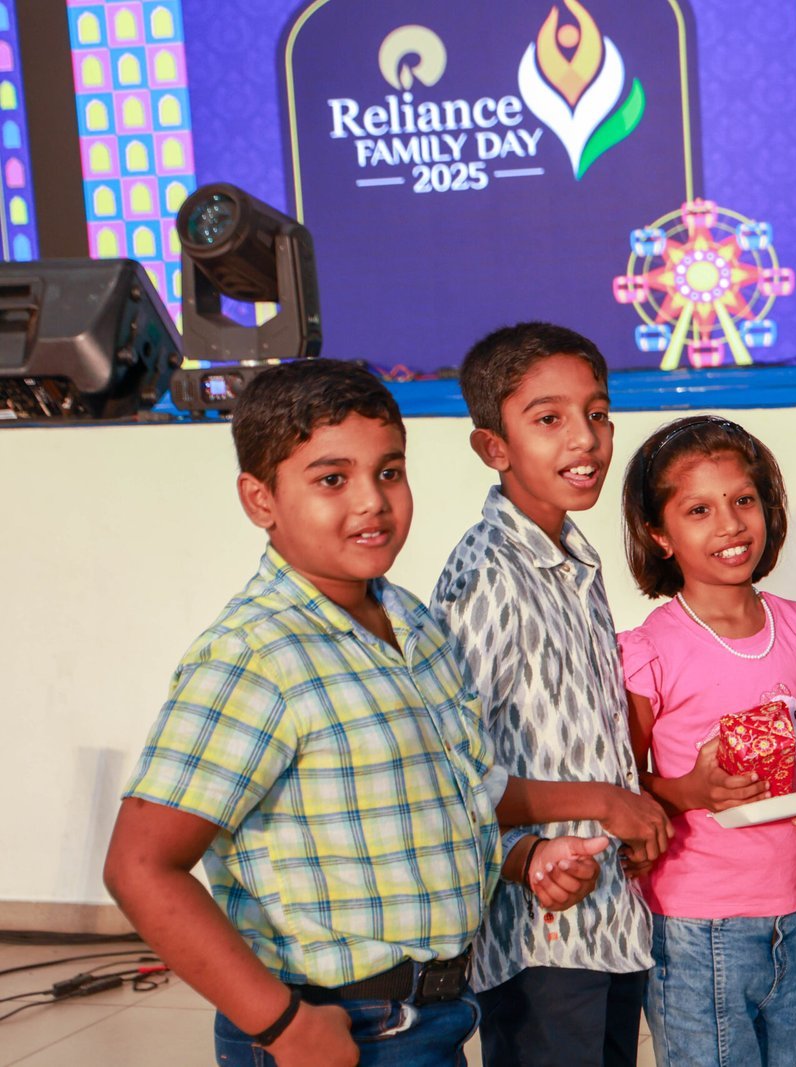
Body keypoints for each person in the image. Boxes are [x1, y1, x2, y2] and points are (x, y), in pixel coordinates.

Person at [102, 359, 607, 1067]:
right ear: (259, 499)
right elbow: (139, 865)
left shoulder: (414, 624)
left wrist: (524, 858)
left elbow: (446, 802)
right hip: (333, 1023)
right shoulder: (256, 654)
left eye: (389, 472)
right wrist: (283, 1025)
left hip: (433, 1013)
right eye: (332, 479)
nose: (372, 501)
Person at [432, 323, 670, 1067]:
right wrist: (606, 801)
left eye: (597, 413)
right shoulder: (487, 575)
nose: (585, 439)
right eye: (549, 418)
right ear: (493, 448)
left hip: (607, 917)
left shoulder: (574, 560)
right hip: (538, 934)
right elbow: (451, 772)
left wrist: (638, 804)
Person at [615, 415, 796, 1067]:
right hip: (695, 927)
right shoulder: (650, 651)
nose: (730, 525)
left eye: (743, 500)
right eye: (699, 510)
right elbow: (621, 788)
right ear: (659, 534)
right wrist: (690, 790)